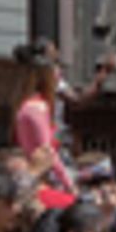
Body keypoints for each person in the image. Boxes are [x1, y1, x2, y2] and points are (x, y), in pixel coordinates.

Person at [10, 42, 74, 193]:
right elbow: (47, 152)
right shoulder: (38, 108)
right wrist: (69, 185)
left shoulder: (24, 106)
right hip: (43, 180)